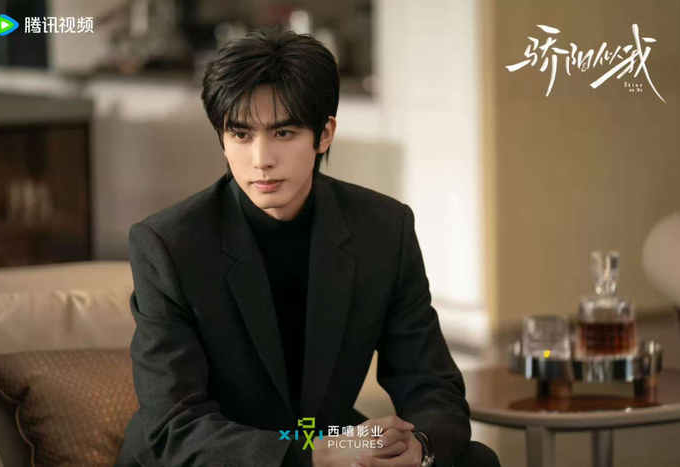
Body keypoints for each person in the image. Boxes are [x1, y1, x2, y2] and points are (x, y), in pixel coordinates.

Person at [116, 28, 499, 467]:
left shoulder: (383, 228)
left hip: (326, 438)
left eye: (283, 133)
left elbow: (431, 383)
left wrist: (420, 447)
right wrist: (314, 456)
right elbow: (175, 426)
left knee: (475, 461)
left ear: (324, 134)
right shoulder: (168, 244)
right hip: (221, 454)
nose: (261, 159)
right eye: (241, 135)